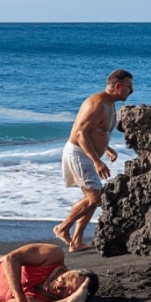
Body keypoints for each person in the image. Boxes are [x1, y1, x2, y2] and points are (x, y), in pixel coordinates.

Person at [54, 69, 134, 252]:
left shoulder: (109, 103)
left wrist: (107, 148)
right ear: (118, 86)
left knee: (93, 198)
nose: (132, 91)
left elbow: (96, 131)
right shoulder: (97, 103)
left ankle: (76, 242)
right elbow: (81, 133)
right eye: (129, 87)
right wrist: (97, 161)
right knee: (95, 197)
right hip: (78, 154)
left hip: (87, 154)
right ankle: (62, 227)